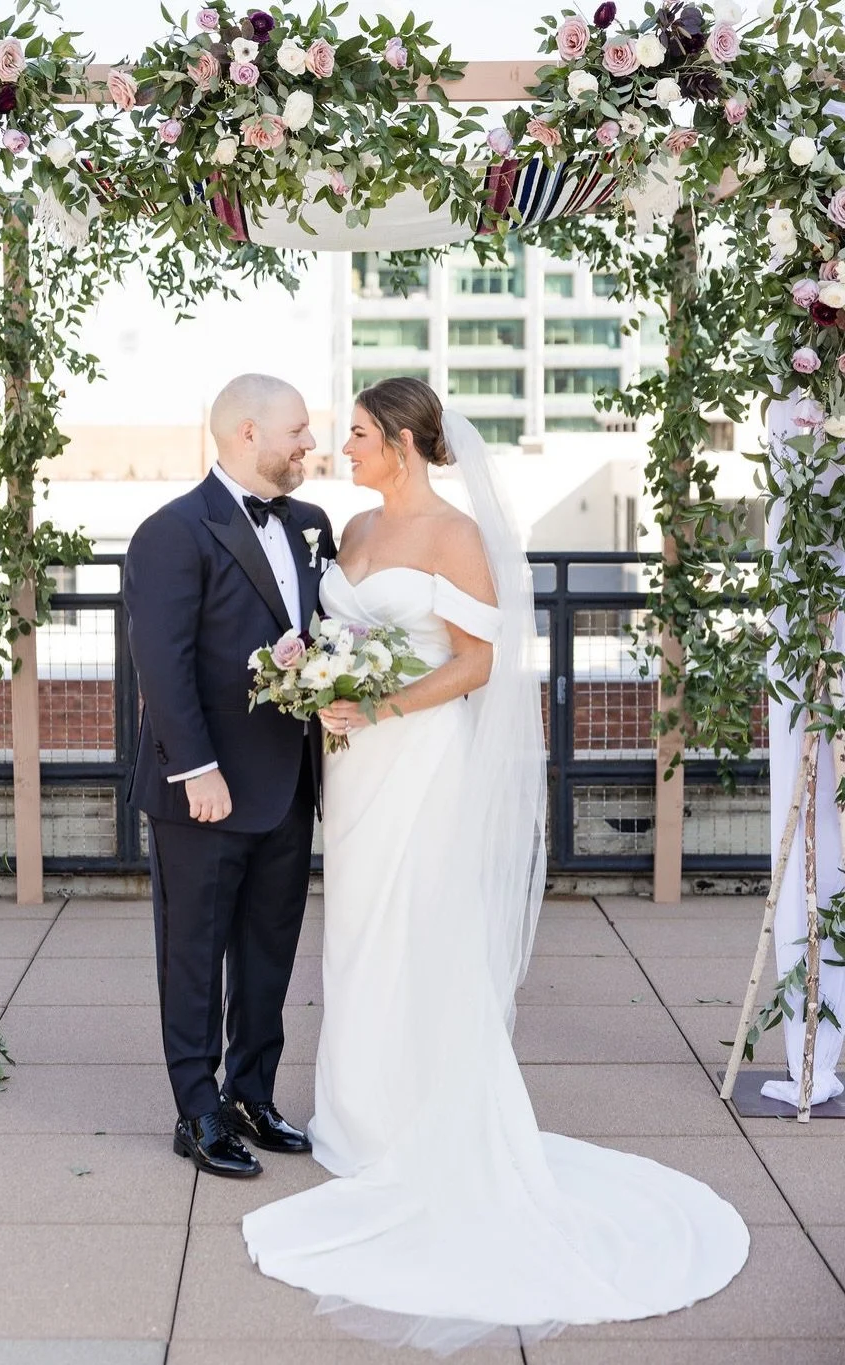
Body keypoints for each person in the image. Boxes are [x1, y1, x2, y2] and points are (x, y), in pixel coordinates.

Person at [241, 377, 749, 1347]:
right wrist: (322, 684)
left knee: (417, 927)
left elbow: (476, 661)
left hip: (417, 756)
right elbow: (338, 636)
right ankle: (353, 1119)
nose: (342, 449)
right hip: (352, 766)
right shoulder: (348, 535)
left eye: (354, 434)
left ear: (398, 441)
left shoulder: (456, 536)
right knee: (354, 931)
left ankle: (415, 1122)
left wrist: (380, 705)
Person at [124, 373, 335, 1179]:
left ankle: (252, 1091)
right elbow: (163, 665)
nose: (308, 444)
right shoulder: (172, 531)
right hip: (203, 792)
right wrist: (198, 770)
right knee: (193, 952)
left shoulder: (313, 524)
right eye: (298, 431)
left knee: (267, 950)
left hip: (290, 783)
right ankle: (198, 1110)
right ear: (247, 433)